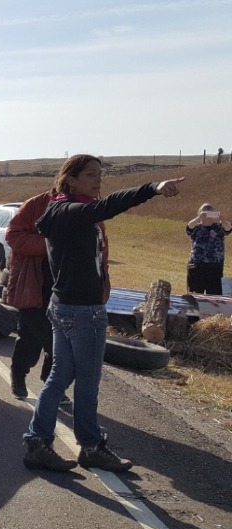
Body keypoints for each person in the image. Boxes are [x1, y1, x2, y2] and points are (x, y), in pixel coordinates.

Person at [22, 154, 184, 473]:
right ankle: (91, 447)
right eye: (90, 174)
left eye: (100, 174)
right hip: (82, 311)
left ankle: (37, 443)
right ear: (70, 180)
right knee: (87, 382)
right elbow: (109, 205)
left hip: (63, 306)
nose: (98, 180)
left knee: (60, 376)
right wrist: (153, 187)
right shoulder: (72, 211)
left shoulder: (58, 209)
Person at [5, 191, 70, 403]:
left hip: (69, 287)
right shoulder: (35, 205)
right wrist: (50, 244)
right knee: (31, 337)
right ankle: (18, 375)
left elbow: (100, 247)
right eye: (89, 175)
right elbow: (14, 236)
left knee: (62, 340)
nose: (96, 180)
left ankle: (51, 383)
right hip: (34, 283)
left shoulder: (88, 207)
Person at [185, 203, 231, 295]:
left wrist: (222, 218)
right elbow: (189, 227)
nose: (207, 216)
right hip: (196, 266)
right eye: (204, 213)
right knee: (195, 295)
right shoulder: (196, 227)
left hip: (215, 267)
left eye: (210, 213)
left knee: (214, 296)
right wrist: (198, 218)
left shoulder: (219, 227)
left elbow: (229, 228)